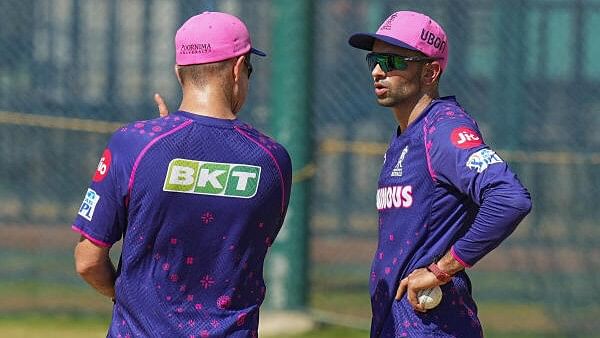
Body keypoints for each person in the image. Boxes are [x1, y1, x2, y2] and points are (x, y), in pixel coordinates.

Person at [72, 11, 292, 337]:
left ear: (179, 72)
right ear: (237, 69)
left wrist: (130, 298)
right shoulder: (272, 160)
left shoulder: (133, 145)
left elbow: (88, 261)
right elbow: (245, 246)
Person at [348, 11, 532, 337]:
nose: (378, 71)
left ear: (431, 71)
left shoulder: (444, 128)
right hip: (400, 323)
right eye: (374, 60)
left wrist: (440, 271)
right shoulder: (406, 134)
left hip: (433, 326)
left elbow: (509, 198)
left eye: (392, 62)